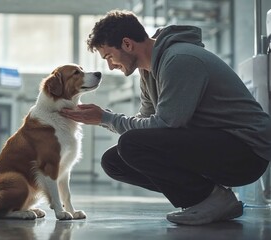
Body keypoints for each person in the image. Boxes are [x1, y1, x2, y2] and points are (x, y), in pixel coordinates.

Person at [60, 10, 271, 225]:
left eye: (109, 57)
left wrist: (106, 118)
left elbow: (166, 124)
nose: (110, 66)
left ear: (127, 44)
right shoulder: (148, 71)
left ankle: (212, 199)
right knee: (114, 162)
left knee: (131, 144)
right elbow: (146, 122)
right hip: (217, 144)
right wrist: (106, 119)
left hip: (246, 153)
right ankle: (206, 196)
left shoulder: (180, 59)